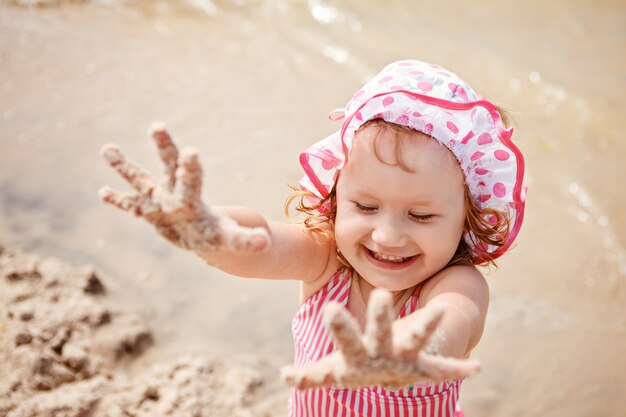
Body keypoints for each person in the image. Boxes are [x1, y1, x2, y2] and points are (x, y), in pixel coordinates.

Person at [100, 59, 526, 417]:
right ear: (335, 196)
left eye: (421, 215)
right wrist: (209, 231)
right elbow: (260, 243)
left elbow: (454, 321)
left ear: (466, 220)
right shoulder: (327, 261)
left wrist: (402, 353)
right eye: (365, 207)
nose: (388, 234)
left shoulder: (454, 286)